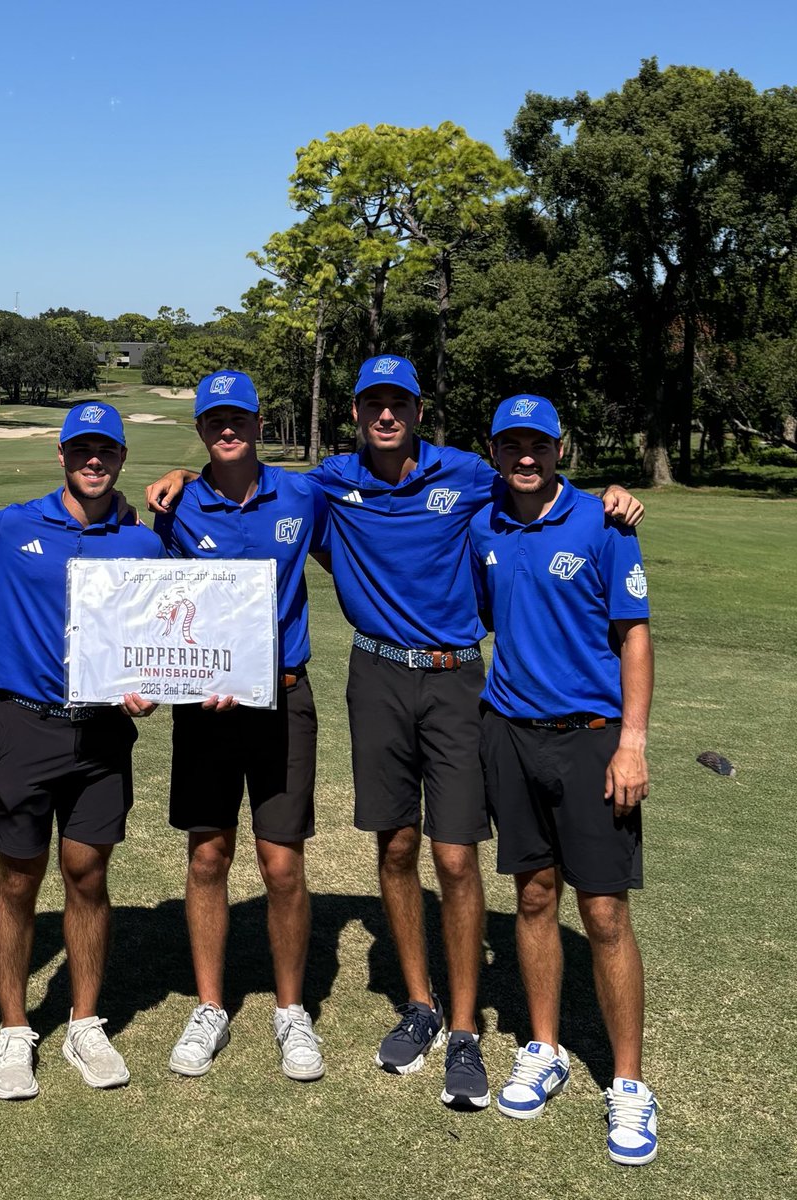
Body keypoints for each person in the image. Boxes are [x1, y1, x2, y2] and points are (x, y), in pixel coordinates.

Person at [147, 355, 642, 1110]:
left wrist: (610, 496)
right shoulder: (328, 482)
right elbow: (241, 468)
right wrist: (182, 472)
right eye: (372, 403)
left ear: (418, 410)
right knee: (397, 844)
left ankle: (468, 1027)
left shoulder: (473, 472)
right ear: (353, 413)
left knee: (455, 853)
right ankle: (421, 1004)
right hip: (376, 673)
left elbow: (538, 479)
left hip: (454, 677)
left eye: (398, 403)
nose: (386, 415)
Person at [470, 395, 657, 1165]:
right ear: (496, 450)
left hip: (591, 740)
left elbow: (634, 637)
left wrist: (633, 743)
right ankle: (542, 1049)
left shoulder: (604, 522)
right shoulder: (483, 523)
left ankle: (629, 1087)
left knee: (604, 912)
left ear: (557, 448)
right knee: (533, 894)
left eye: (536, 444)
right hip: (509, 736)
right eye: (511, 444)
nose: (524, 457)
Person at [152, 371, 330, 1082]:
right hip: (203, 708)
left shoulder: (303, 495)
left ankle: (291, 1011)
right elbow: (149, 604)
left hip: (284, 696)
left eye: (238, 418)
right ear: (200, 430)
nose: (227, 429)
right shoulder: (175, 506)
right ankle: (210, 1005)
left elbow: (355, 546)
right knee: (207, 857)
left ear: (260, 422)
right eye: (213, 421)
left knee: (281, 864)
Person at [0, 402, 164, 1100]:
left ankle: (84, 1022)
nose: (95, 461)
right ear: (61, 455)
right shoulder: (8, 525)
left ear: (121, 458)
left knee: (87, 872)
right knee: (18, 878)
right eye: (82, 449)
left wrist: (150, 683)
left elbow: (167, 635)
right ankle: (12, 1028)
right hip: (24, 723)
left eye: (107, 451)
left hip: (102, 733)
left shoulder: (145, 544)